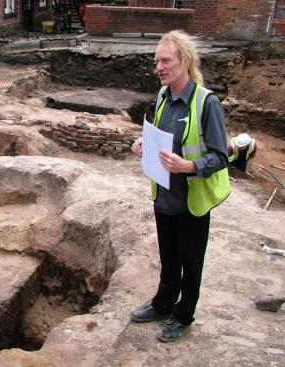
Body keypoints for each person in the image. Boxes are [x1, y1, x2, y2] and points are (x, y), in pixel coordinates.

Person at [131, 30, 231, 342]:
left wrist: (189, 166)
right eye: (156, 61)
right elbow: (162, 139)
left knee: (190, 260)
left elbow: (221, 155)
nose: (159, 67)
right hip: (164, 194)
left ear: (184, 61)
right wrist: (143, 144)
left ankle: (183, 315)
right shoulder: (162, 96)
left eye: (165, 60)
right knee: (169, 258)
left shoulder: (206, 103)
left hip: (193, 199)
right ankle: (163, 304)